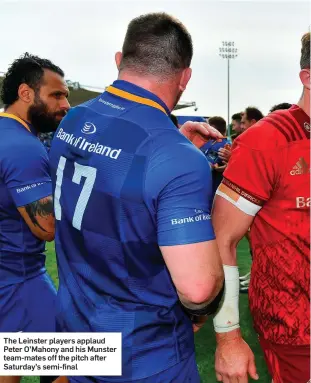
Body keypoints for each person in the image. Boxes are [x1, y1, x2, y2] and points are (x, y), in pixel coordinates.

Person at [49, 12, 224, 383]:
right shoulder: (176, 157)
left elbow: (115, 151)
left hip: (78, 336)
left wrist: (171, 140)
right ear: (185, 77)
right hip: (143, 354)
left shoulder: (73, 119)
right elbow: (197, 290)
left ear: (119, 60)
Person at [211, 32, 310, 383]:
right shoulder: (267, 140)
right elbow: (222, 238)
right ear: (308, 78)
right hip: (297, 328)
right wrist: (228, 336)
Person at [0, 53, 69, 383]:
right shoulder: (22, 147)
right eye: (57, 94)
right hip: (20, 278)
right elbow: (47, 227)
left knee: (10, 362)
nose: (65, 104)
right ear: (26, 93)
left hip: (11, 275)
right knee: (80, 365)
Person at [200, 116, 230, 195]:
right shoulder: (211, 142)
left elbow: (208, 166)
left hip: (213, 188)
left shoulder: (223, 145)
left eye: (207, 126)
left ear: (213, 128)